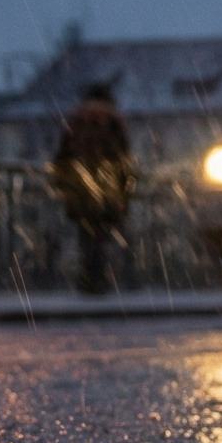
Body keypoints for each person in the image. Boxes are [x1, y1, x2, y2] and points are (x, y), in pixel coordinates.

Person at [51, 81, 135, 296]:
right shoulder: (113, 122)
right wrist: (125, 190)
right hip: (108, 191)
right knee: (102, 236)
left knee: (86, 237)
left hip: (79, 191)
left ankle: (88, 280)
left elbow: (62, 156)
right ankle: (100, 281)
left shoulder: (76, 121)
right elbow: (125, 159)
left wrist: (62, 184)